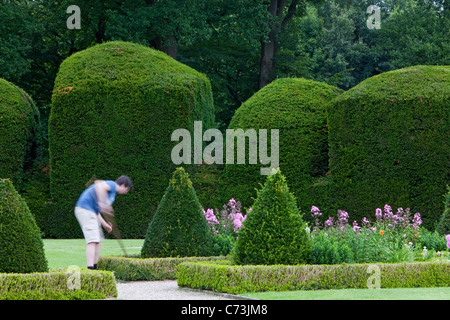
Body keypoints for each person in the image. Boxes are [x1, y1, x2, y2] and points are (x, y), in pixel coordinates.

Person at [74, 175, 133, 270]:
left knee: (98, 241)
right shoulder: (112, 184)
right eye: (127, 189)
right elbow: (98, 184)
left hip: (91, 212)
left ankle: (95, 267)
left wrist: (105, 224)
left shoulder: (112, 193)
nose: (126, 192)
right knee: (93, 241)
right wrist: (103, 203)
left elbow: (97, 212)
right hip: (85, 209)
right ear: (123, 185)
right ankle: (90, 270)